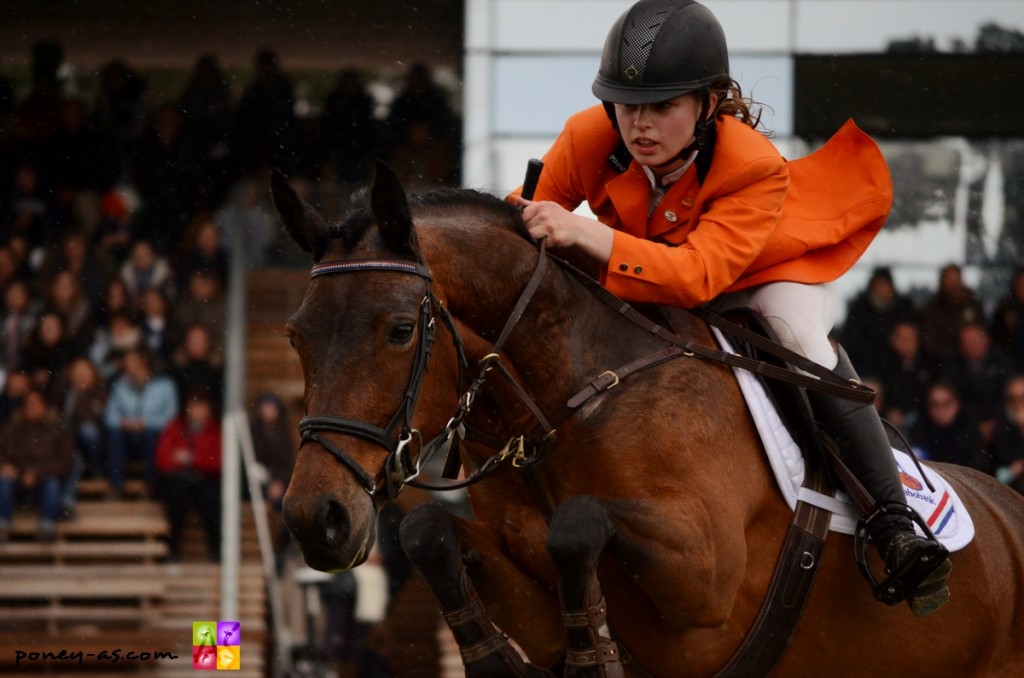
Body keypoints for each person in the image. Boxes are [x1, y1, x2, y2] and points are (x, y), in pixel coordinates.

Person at [511, 0, 949, 615]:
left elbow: (696, 276)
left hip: (761, 271)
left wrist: (589, 236)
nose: (639, 124)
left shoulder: (751, 166)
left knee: (797, 337)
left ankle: (895, 525)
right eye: (628, 104)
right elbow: (521, 214)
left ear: (707, 104)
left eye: (663, 106)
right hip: (651, 266)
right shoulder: (590, 134)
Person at [154, 387, 222, 561]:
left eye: (201, 406)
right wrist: (192, 461)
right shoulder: (175, 427)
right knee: (175, 502)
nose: (197, 411)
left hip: (206, 480)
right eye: (193, 406)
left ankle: (216, 551)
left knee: (211, 503)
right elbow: (163, 460)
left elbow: (218, 462)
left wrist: (191, 459)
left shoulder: (216, 430)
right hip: (179, 481)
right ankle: (171, 549)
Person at [0, 389, 75, 542]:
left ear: (45, 407)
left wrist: (37, 472)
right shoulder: (9, 430)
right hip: (16, 483)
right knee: (5, 481)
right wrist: (6, 466)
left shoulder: (59, 431)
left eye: (36, 403)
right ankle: (2, 524)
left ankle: (47, 525)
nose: (32, 407)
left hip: (44, 483)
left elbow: (66, 462)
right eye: (28, 404)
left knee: (52, 483)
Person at [102, 346, 178, 497]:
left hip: (153, 436)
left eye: (130, 361)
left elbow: (171, 417)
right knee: (115, 434)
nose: (126, 365)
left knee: (151, 435)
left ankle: (150, 486)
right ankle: (117, 486)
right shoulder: (120, 386)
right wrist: (125, 423)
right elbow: (109, 416)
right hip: (128, 437)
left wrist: (146, 422)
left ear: (144, 362)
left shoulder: (165, 385)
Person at [909, 380, 991, 474]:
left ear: (957, 403)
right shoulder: (919, 428)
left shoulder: (969, 428)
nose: (940, 410)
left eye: (946, 404)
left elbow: (980, 465)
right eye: (934, 404)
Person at [990, 374, 1024, 495]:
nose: (1018, 404)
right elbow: (996, 473)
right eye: (1013, 399)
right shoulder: (1002, 431)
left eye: (1022, 398)